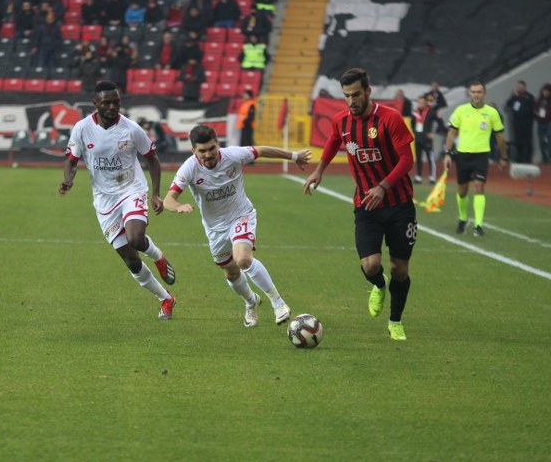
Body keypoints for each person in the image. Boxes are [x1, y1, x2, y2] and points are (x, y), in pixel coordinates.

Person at [303, 68, 416, 341]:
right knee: (370, 265)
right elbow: (333, 141)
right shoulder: (342, 121)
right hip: (366, 205)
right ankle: (379, 286)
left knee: (399, 268)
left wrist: (383, 186)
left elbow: (406, 160)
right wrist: (319, 170)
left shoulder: (390, 119)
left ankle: (395, 321)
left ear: (368, 91)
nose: (351, 101)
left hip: (399, 204)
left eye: (355, 94)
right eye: (346, 96)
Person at [164, 125, 310, 327]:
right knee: (231, 273)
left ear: (218, 145)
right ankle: (251, 301)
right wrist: (178, 206)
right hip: (215, 229)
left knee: (242, 259)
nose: (208, 154)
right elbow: (168, 200)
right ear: (194, 151)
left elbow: (262, 150)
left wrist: (294, 156)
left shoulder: (233, 155)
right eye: (202, 151)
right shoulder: (189, 168)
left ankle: (278, 302)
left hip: (241, 216)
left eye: (211, 148)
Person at [59, 81, 177, 320]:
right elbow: (71, 159)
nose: (112, 107)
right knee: (131, 261)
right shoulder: (82, 128)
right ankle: (166, 298)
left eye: (116, 102)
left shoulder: (131, 129)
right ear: (96, 104)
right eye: (107, 103)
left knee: (136, 238)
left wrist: (155, 194)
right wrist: (68, 179)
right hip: (104, 200)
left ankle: (157, 256)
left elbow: (152, 159)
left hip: (131, 190)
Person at [443, 80, 508, 237]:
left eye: (479, 92)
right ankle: (463, 218)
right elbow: (452, 132)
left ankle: (478, 224)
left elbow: (499, 136)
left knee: (479, 187)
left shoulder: (492, 113)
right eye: (473, 92)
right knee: (462, 190)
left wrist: (504, 156)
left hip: (481, 155)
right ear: (469, 94)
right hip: (463, 155)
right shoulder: (461, 110)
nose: (476, 95)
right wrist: (447, 153)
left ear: (484, 94)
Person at [411, 95, 441, 184]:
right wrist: (415, 133)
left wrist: (434, 133)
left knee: (430, 158)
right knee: (418, 158)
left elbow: (440, 122)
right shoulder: (415, 113)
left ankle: (432, 177)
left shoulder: (431, 112)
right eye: (419, 102)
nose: (421, 104)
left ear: (426, 103)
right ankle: (418, 177)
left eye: (423, 102)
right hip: (418, 139)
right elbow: (413, 125)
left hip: (427, 140)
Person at [505, 80, 535, 164]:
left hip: (527, 123)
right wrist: (514, 97)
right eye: (519, 87)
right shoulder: (514, 97)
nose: (520, 88)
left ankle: (528, 159)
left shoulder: (529, 96)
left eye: (522, 87)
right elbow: (508, 105)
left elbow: (533, 108)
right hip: (517, 123)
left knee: (528, 142)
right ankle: (519, 158)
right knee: (518, 142)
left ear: (525, 87)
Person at [535, 83, 551, 164]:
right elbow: (535, 109)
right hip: (540, 123)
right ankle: (544, 158)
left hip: (549, 123)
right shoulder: (539, 100)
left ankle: (549, 158)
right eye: (544, 91)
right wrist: (536, 114)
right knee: (541, 142)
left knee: (549, 142)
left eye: (547, 91)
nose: (545, 92)